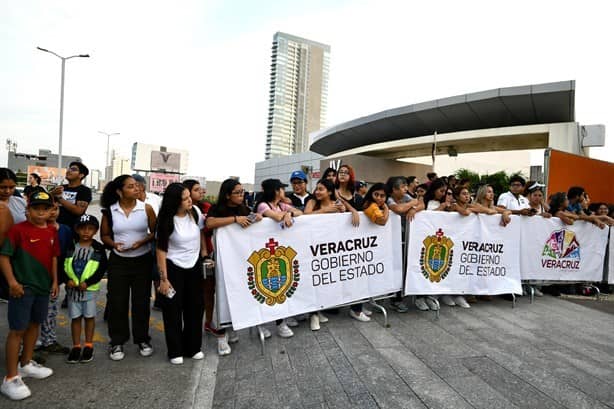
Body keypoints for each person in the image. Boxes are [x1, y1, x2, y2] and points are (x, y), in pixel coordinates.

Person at [0, 190, 58, 401]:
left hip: (43, 288)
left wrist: (54, 281)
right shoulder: (18, 231)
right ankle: (10, 377)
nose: (41, 212)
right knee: (17, 330)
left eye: (45, 208)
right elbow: (4, 257)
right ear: (28, 210)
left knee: (35, 324)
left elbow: (53, 258)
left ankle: (25, 363)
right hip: (23, 288)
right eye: (36, 208)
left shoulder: (52, 231)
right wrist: (12, 282)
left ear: (52, 210)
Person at [100, 175, 156, 361]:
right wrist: (114, 245)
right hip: (118, 262)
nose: (136, 189)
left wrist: (142, 241)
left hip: (142, 261)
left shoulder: (146, 209)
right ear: (119, 191)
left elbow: (155, 233)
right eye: (131, 186)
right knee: (117, 302)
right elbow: (105, 235)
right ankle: (117, 341)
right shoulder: (110, 211)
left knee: (141, 302)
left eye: (137, 186)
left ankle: (142, 339)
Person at [206, 179, 263, 354]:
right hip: (222, 261)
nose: (241, 195)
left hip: (240, 261)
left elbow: (251, 219)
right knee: (221, 297)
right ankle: (221, 336)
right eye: (237, 192)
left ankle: (231, 327)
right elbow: (209, 224)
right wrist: (234, 219)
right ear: (227, 194)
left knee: (237, 294)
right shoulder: (217, 209)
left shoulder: (244, 208)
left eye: (242, 191)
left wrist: (256, 217)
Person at [156, 183, 206, 364]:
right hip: (173, 267)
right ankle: (175, 350)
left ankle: (193, 347)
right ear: (175, 202)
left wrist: (205, 255)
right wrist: (164, 279)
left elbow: (201, 234)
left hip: (194, 267)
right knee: (173, 311)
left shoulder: (195, 213)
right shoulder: (166, 220)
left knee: (195, 308)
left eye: (189, 196)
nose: (189, 200)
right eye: (185, 198)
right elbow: (161, 251)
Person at [255, 179, 303, 337]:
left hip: (280, 251)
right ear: (276, 191)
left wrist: (288, 212)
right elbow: (275, 217)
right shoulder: (263, 205)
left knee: (281, 286)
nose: (284, 192)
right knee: (266, 288)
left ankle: (281, 321)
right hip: (263, 252)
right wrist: (285, 214)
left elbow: (299, 213)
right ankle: (261, 323)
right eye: (282, 189)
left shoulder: (282, 205)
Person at [65, 214, 107, 364]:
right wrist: (67, 280)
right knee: (75, 318)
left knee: (89, 317)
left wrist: (88, 283)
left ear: (95, 231)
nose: (86, 232)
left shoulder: (98, 248)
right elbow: (63, 265)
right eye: (82, 228)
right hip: (73, 290)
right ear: (76, 230)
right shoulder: (71, 246)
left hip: (89, 290)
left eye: (90, 229)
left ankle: (88, 345)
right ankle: (76, 346)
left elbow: (101, 268)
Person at [37, 200, 73, 355]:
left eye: (55, 208)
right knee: (33, 313)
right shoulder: (35, 229)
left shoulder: (65, 229)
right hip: (37, 277)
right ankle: (29, 345)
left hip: (56, 278)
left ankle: (49, 341)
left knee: (51, 311)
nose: (52, 212)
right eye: (47, 208)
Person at [385, 176, 423, 312]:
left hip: (405, 238)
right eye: (402, 187)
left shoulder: (406, 197)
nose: (406, 189)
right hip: (390, 240)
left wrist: (413, 209)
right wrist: (412, 203)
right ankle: (394, 299)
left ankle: (400, 295)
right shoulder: (388, 198)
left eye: (406, 186)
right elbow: (398, 209)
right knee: (395, 267)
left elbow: (421, 205)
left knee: (404, 265)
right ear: (394, 190)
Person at [0, 168, 27, 302]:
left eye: (11, 187)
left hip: (17, 254)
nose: (7, 191)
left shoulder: (19, 201)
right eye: (3, 187)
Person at [51, 161, 92, 232]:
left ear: (81, 175)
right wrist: (52, 193)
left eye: (73, 169)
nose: (68, 171)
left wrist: (60, 198)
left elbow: (79, 211)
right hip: (54, 227)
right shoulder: (59, 188)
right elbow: (46, 203)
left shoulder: (85, 190)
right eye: (69, 169)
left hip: (73, 230)